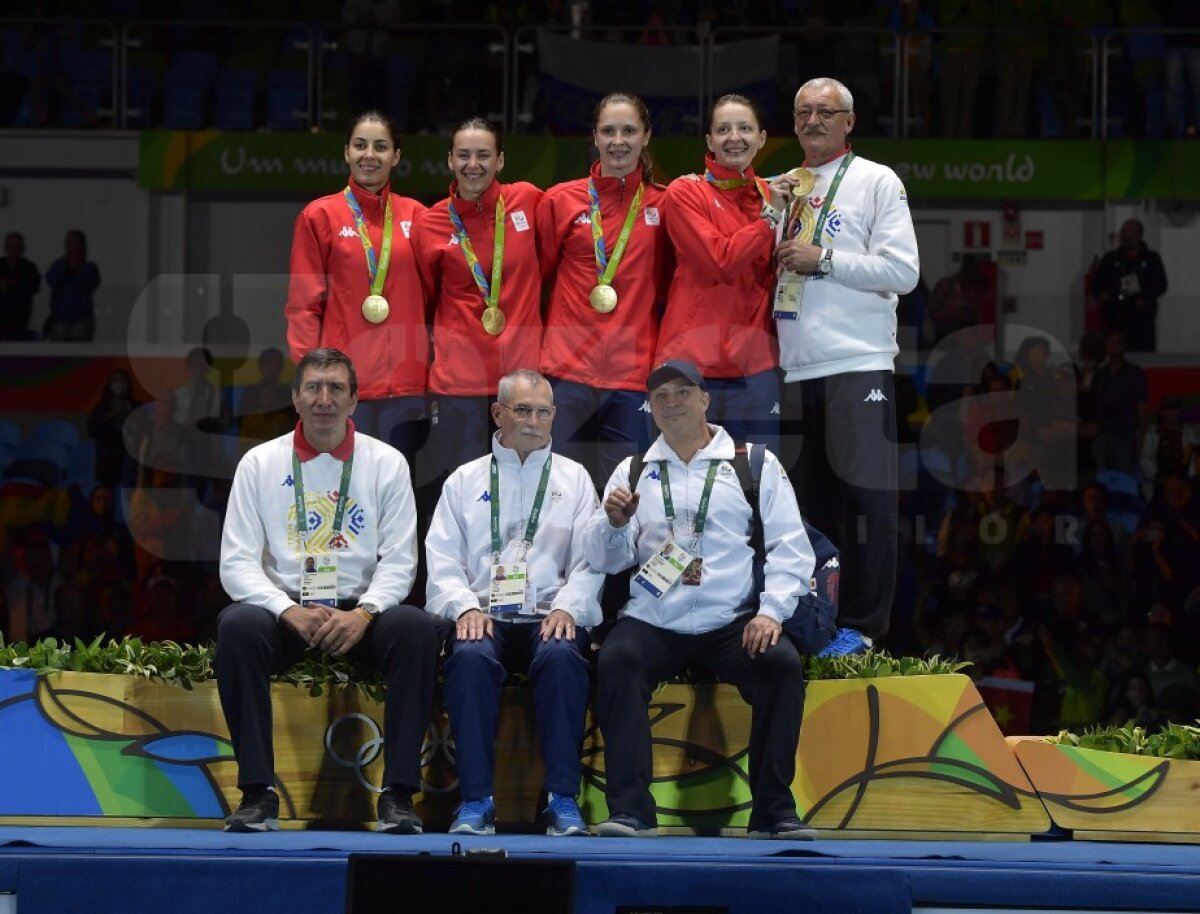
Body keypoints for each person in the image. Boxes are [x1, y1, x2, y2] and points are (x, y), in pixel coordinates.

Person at [585, 359, 818, 839]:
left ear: (705, 400)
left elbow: (790, 547)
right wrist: (614, 525)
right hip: (654, 620)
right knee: (619, 659)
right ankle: (631, 811)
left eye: (682, 392)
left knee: (780, 665)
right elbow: (605, 560)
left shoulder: (753, 463)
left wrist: (771, 613)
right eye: (660, 396)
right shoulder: (633, 471)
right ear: (650, 408)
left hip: (732, 620)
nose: (671, 403)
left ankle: (773, 812)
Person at [215, 348, 440, 834]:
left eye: (336, 387)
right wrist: (285, 609)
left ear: (354, 399)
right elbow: (236, 563)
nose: (324, 398)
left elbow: (400, 560)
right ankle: (257, 793)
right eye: (313, 387)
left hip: (360, 615)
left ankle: (399, 795)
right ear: (296, 398)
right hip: (287, 614)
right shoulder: (259, 463)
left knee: (416, 628)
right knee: (237, 626)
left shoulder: (386, 463)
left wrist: (365, 613)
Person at [774, 76, 920, 656]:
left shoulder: (877, 181)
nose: (813, 121)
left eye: (825, 112)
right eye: (803, 112)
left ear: (849, 121)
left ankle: (864, 627)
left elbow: (903, 272)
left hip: (857, 362)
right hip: (793, 368)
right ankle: (816, 622)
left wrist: (825, 259)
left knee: (867, 503)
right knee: (806, 509)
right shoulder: (785, 187)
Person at [424, 369, 601, 837]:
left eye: (543, 412)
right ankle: (475, 801)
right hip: (485, 615)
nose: (533, 422)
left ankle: (562, 799)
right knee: (469, 657)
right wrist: (464, 607)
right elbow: (442, 559)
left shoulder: (575, 478)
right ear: (497, 413)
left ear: (554, 416)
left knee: (563, 656)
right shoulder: (464, 480)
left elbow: (590, 561)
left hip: (549, 615)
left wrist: (568, 607)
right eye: (522, 410)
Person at [537, 92, 670, 488]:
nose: (618, 141)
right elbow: (537, 279)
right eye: (608, 131)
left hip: (632, 376)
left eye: (629, 131)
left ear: (646, 136)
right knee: (561, 493)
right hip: (565, 373)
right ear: (594, 136)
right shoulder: (560, 200)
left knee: (626, 494)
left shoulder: (665, 204)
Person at [285, 110, 430, 467]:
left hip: (407, 384)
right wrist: (311, 378)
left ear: (396, 156)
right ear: (346, 152)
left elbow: (439, 298)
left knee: (397, 485)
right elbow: (303, 305)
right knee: (340, 487)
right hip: (342, 389)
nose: (370, 155)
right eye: (360, 145)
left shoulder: (418, 217)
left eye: (381, 147)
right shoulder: (319, 216)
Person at [655, 94, 790, 456]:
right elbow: (718, 260)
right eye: (723, 129)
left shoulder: (774, 195)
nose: (734, 138)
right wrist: (769, 219)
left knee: (758, 479)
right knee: (686, 478)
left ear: (761, 138)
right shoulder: (686, 191)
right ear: (709, 140)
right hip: (693, 364)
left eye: (744, 128)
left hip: (755, 366)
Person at [412, 117, 544, 484]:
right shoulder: (430, 223)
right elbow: (427, 296)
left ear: (500, 160)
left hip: (520, 378)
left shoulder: (528, 201)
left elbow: (549, 264)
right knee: (464, 487)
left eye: (484, 155)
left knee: (523, 483)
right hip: (458, 382)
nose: (474, 165)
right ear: (450, 160)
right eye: (464, 155)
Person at [1092, 219, 1168, 353]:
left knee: (1142, 358)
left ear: (1139, 235)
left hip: (1142, 322)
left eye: (1131, 232)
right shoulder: (1111, 258)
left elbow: (1161, 285)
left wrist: (1145, 297)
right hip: (1115, 321)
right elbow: (1097, 285)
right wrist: (1104, 294)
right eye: (1124, 232)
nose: (1127, 236)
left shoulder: (1151, 259)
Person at [44, 229, 100, 341]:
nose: (72, 247)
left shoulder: (89, 267)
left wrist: (78, 267)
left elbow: (93, 281)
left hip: (82, 319)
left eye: (75, 243)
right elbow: (50, 280)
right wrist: (65, 265)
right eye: (69, 244)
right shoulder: (59, 266)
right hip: (60, 319)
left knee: (78, 335)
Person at [0, 231, 41, 341]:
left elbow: (34, 286)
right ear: (5, 248)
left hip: (20, 321)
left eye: (17, 246)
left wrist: (13, 285)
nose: (14, 249)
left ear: (22, 248)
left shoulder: (29, 267)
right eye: (11, 246)